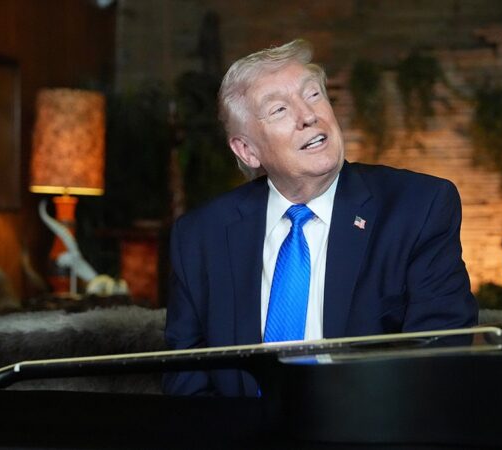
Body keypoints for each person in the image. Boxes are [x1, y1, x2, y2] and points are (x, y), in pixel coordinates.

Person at [163, 39, 478, 396]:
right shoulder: (200, 236)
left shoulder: (418, 207)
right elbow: (185, 379)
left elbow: (437, 363)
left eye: (313, 94)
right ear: (247, 150)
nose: (308, 115)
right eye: (279, 110)